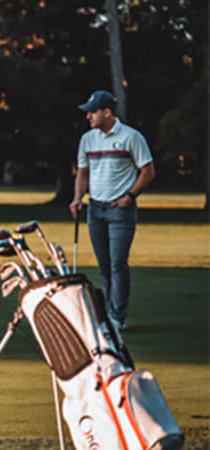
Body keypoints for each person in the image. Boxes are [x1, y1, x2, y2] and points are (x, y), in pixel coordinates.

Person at [69, 90, 155, 331]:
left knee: (118, 264)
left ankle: (117, 316)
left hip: (121, 211)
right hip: (95, 209)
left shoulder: (131, 137)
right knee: (104, 266)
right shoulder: (87, 139)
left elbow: (148, 171)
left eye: (93, 112)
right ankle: (108, 314)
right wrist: (78, 198)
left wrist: (130, 196)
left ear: (107, 112)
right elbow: (83, 173)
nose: (88, 117)